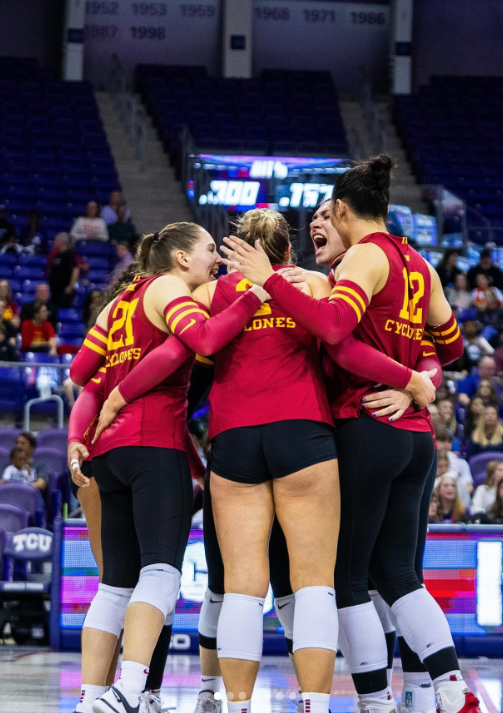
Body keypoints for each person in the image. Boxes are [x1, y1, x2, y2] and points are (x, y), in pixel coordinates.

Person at [221, 155, 479, 713]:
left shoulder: (360, 258)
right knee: (399, 572)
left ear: (342, 210)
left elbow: (335, 332)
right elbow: (451, 348)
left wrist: (267, 279)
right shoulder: (421, 264)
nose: (318, 224)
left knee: (348, 577)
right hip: (415, 439)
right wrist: (417, 380)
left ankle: (376, 702)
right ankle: (446, 688)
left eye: (324, 213)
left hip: (365, 425)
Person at [69, 223, 272, 713]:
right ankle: (129, 691)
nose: (215, 259)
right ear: (180, 258)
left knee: (115, 583)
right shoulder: (167, 287)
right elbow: (201, 336)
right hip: (153, 445)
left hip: (107, 454)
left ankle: (91, 697)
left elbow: (80, 373)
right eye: (207, 250)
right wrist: (253, 299)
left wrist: (78, 438)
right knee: (160, 574)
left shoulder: (121, 302)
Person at [48, 233, 80, 308]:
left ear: (62, 242)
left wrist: (71, 286)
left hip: (64, 291)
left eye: (56, 240)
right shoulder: (57, 255)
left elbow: (75, 269)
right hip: (55, 291)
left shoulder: (69, 254)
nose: (54, 242)